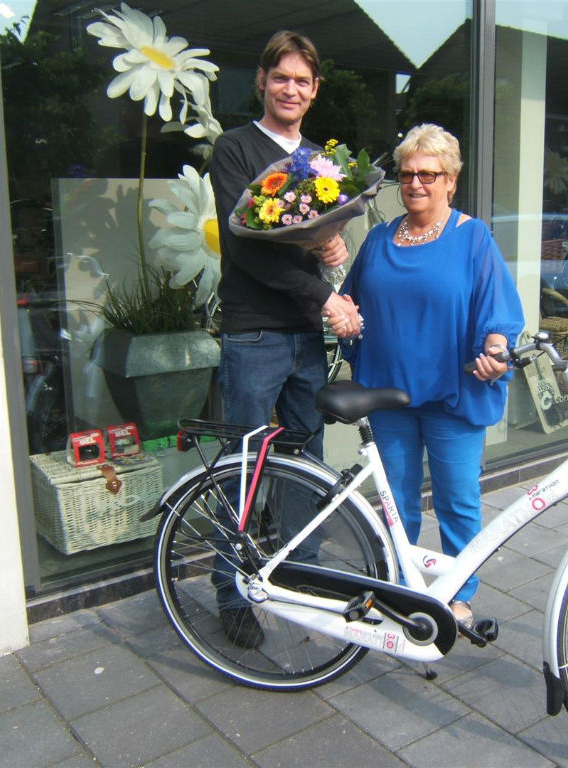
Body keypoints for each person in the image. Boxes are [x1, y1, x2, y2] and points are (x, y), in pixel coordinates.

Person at [332, 124, 524, 630]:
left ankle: (457, 594)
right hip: (387, 393)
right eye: (407, 174)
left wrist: (496, 349)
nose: (416, 183)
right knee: (396, 504)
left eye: (429, 174)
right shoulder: (378, 239)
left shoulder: (472, 237)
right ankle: (402, 585)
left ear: (451, 180)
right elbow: (351, 301)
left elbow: (498, 309)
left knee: (457, 502)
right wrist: (343, 314)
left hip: (451, 395)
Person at [210, 29, 360, 648]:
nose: (290, 89)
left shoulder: (324, 160)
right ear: (262, 82)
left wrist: (332, 246)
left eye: (301, 80)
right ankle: (231, 591)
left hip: (304, 334)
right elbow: (245, 249)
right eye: (280, 78)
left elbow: (315, 235)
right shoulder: (235, 149)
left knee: (306, 462)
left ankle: (301, 575)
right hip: (254, 333)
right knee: (242, 467)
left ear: (315, 89)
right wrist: (324, 295)